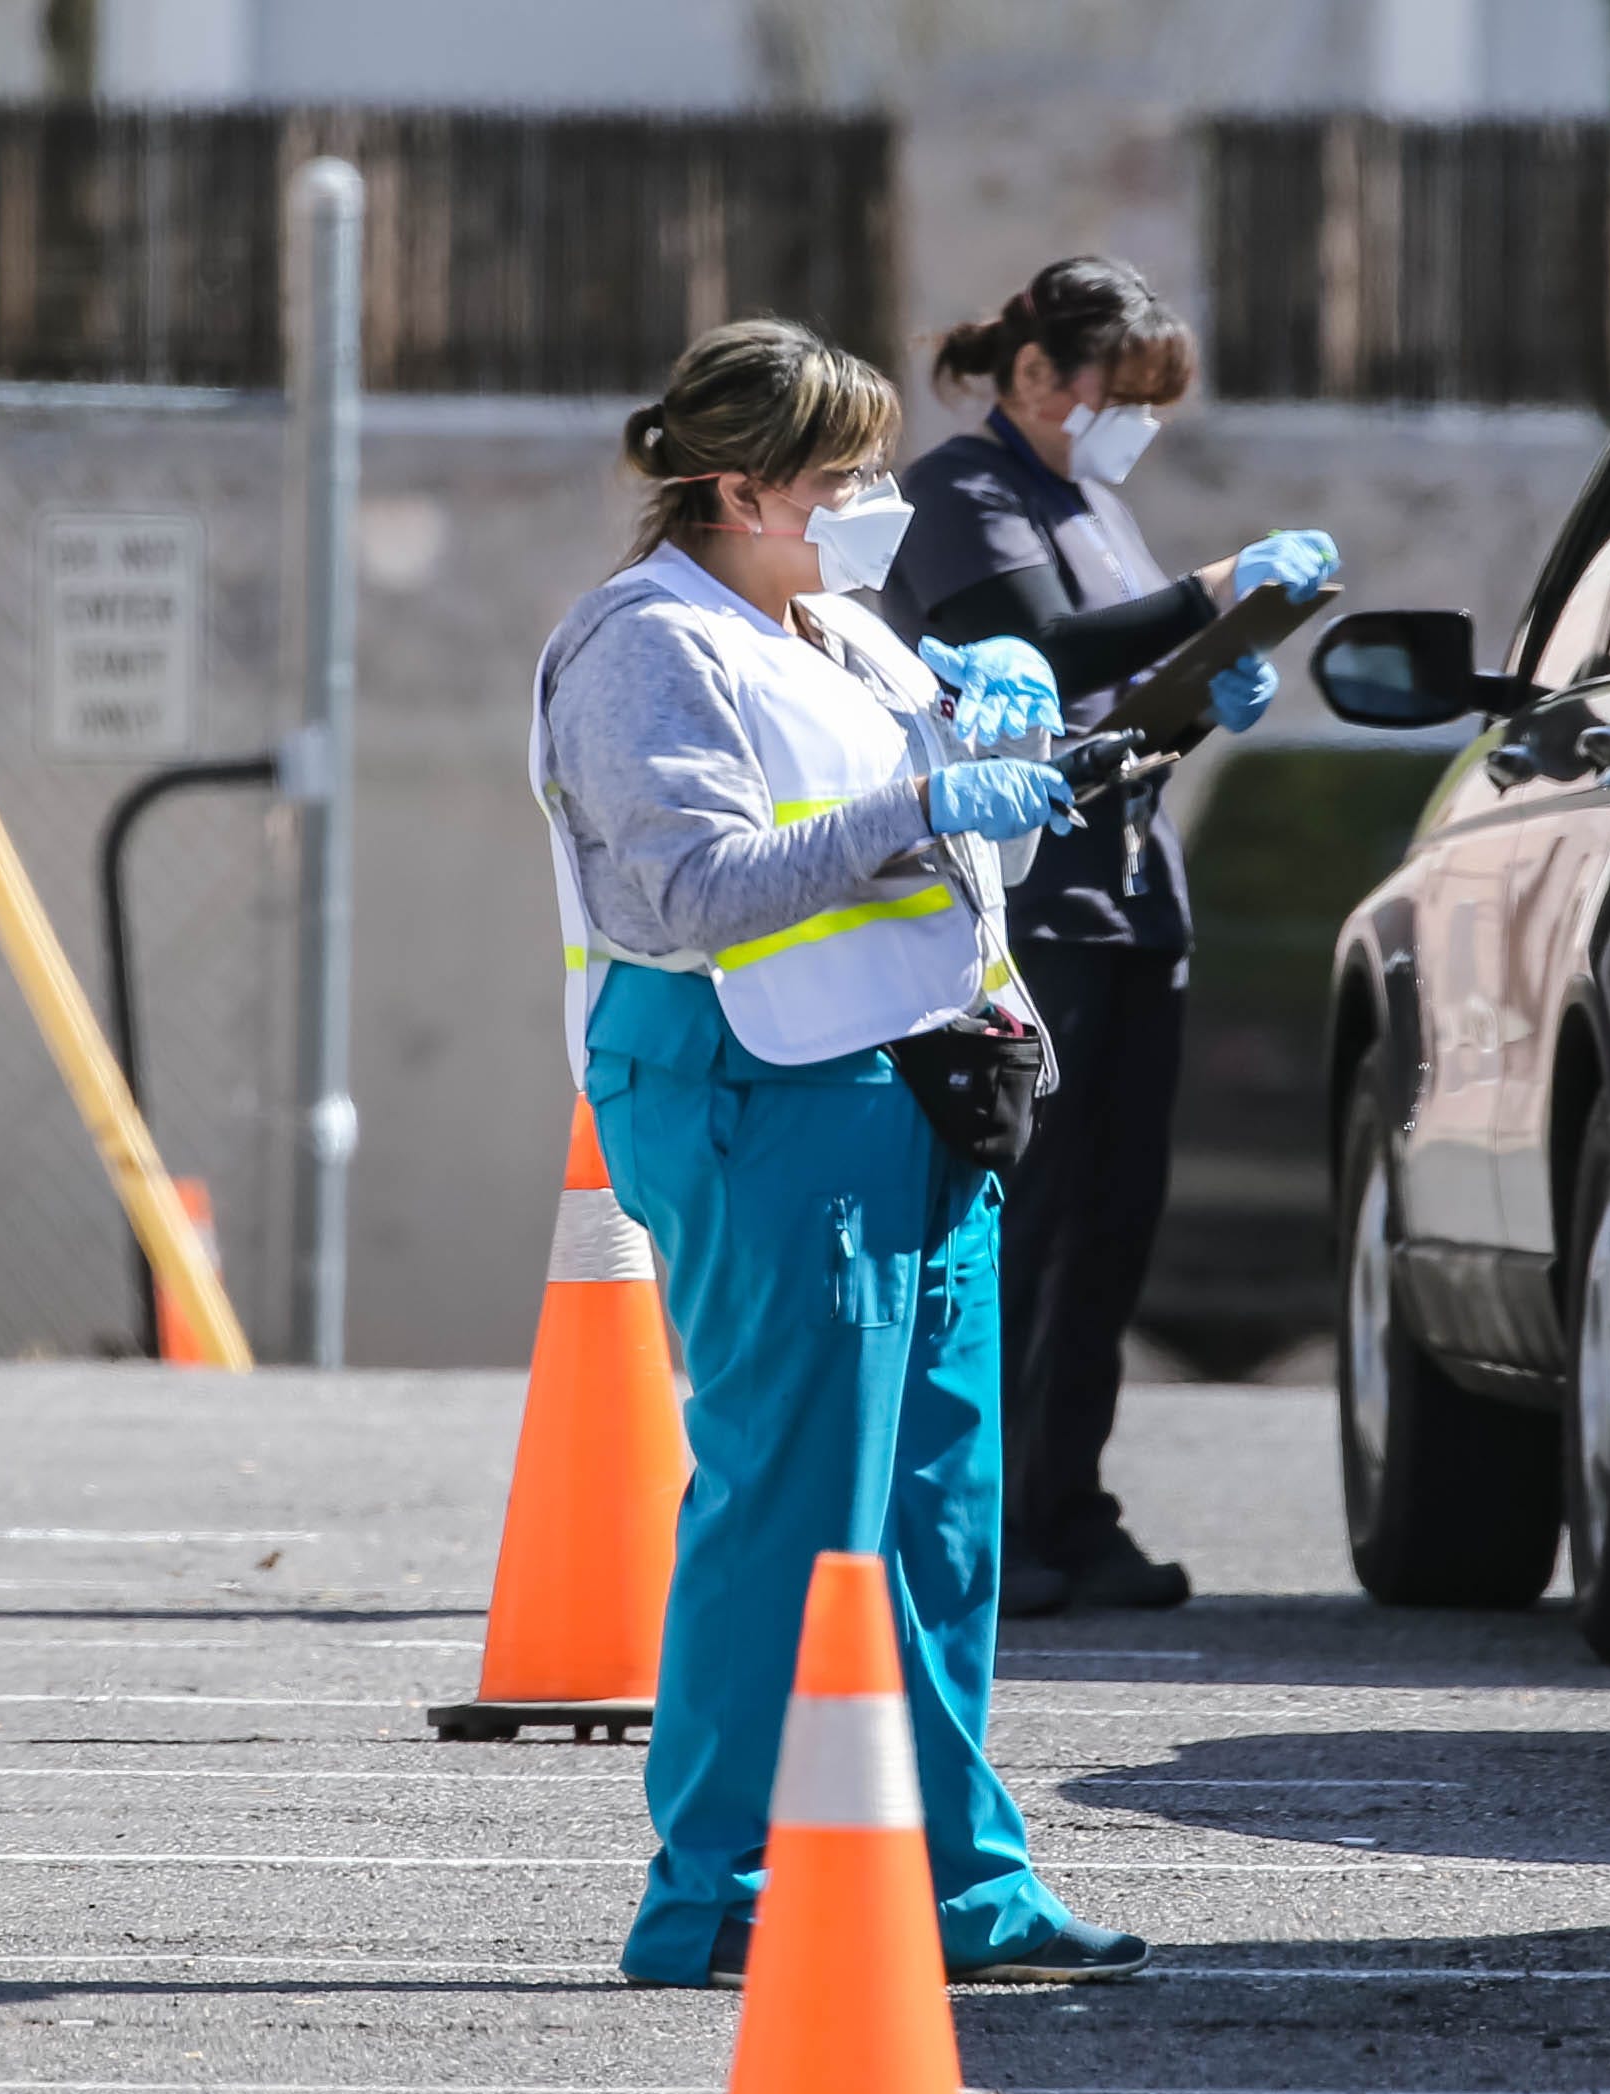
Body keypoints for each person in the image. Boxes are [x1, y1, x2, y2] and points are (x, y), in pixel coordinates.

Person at [530, 316, 1146, 1989]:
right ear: (736, 487)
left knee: (942, 1513)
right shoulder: (648, 648)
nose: (878, 498)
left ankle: (957, 1888)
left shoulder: (839, 626)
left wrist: (1039, 734)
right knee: (793, 1501)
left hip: (903, 1084)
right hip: (755, 1083)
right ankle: (715, 1897)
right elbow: (686, 892)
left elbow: (955, 813)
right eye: (843, 474)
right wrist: (929, 804)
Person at [880, 257, 1341, 1617]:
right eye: (1118, 394)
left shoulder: (1092, 502)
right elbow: (1041, 653)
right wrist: (1212, 592)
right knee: (1021, 1217)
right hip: (1039, 905)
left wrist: (1207, 689)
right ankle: (985, 1514)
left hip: (1134, 892)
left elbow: (1127, 710)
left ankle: (1068, 1503)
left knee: (1113, 1218)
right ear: (1033, 376)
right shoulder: (961, 495)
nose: (1133, 423)